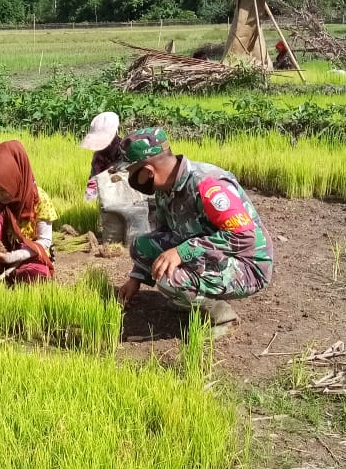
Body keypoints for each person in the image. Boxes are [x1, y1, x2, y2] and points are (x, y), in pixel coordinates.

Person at [113, 127, 273, 330]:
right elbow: (162, 233)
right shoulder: (164, 188)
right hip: (209, 253)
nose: (131, 180)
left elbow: (244, 236)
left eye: (132, 173)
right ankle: (188, 296)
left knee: (168, 278)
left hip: (246, 265)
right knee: (141, 246)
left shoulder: (208, 185)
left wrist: (182, 251)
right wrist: (136, 278)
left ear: (148, 172)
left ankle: (221, 315)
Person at [0, 140, 57, 283]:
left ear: (16, 180)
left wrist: (11, 257)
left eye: (2, 190)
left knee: (35, 275)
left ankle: (14, 273)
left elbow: (45, 240)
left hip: (28, 254)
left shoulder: (39, 199)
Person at [79, 111, 122, 201]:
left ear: (116, 132)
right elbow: (94, 179)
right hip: (107, 192)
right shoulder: (99, 156)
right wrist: (89, 199)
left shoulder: (127, 149)